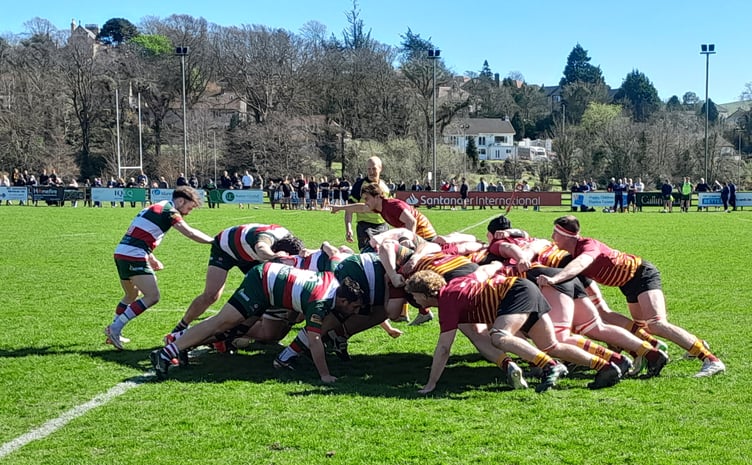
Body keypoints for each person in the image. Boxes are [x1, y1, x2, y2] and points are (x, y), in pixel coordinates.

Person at [536, 216, 725, 378]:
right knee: (642, 329)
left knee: (657, 324)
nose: (553, 237)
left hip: (642, 275)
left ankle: (711, 360)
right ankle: (691, 344)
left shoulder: (587, 246)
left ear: (566, 235)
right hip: (628, 285)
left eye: (555, 233)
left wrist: (555, 279)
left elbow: (581, 263)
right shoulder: (574, 251)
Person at [405, 266, 622, 394]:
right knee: (551, 345)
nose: (416, 302)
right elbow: (484, 270)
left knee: (499, 336)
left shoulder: (447, 301)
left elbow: (444, 348)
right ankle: (605, 367)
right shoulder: (456, 285)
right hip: (522, 288)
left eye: (414, 297)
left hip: (516, 293)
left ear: (424, 295)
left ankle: (550, 365)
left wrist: (430, 384)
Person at [151, 262, 365, 382]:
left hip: (272, 286)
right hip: (261, 284)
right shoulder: (321, 302)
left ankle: (179, 341)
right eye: (353, 307)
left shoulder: (334, 283)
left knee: (232, 331)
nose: (354, 311)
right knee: (223, 323)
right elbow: (315, 340)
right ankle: (168, 351)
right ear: (343, 300)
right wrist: (325, 375)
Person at [104, 186, 213, 349]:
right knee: (152, 296)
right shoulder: (170, 211)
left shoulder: (157, 206)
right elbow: (189, 232)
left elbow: (140, 232)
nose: (188, 212)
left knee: (131, 294)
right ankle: (115, 328)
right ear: (181, 201)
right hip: (134, 255)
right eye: (189, 208)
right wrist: (214, 241)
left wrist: (151, 257)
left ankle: (114, 331)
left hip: (122, 252)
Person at [169, 224, 304, 344]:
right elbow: (261, 248)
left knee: (263, 293)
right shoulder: (267, 238)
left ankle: (232, 333)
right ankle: (181, 327)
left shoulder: (291, 243)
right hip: (226, 249)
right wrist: (275, 257)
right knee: (211, 295)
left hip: (251, 255)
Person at [332, 183, 437, 243]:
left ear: (377, 197)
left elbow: (412, 221)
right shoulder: (379, 207)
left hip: (424, 234)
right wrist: (340, 208)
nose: (365, 201)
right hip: (416, 234)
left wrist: (409, 242)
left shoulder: (392, 205)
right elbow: (361, 208)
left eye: (367, 198)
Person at [344, 156, 390, 251]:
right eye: (368, 169)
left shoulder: (385, 187)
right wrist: (348, 228)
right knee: (367, 255)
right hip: (365, 226)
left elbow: (389, 208)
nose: (371, 172)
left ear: (380, 169)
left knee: (384, 255)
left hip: (382, 226)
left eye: (374, 168)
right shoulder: (359, 185)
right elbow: (349, 208)